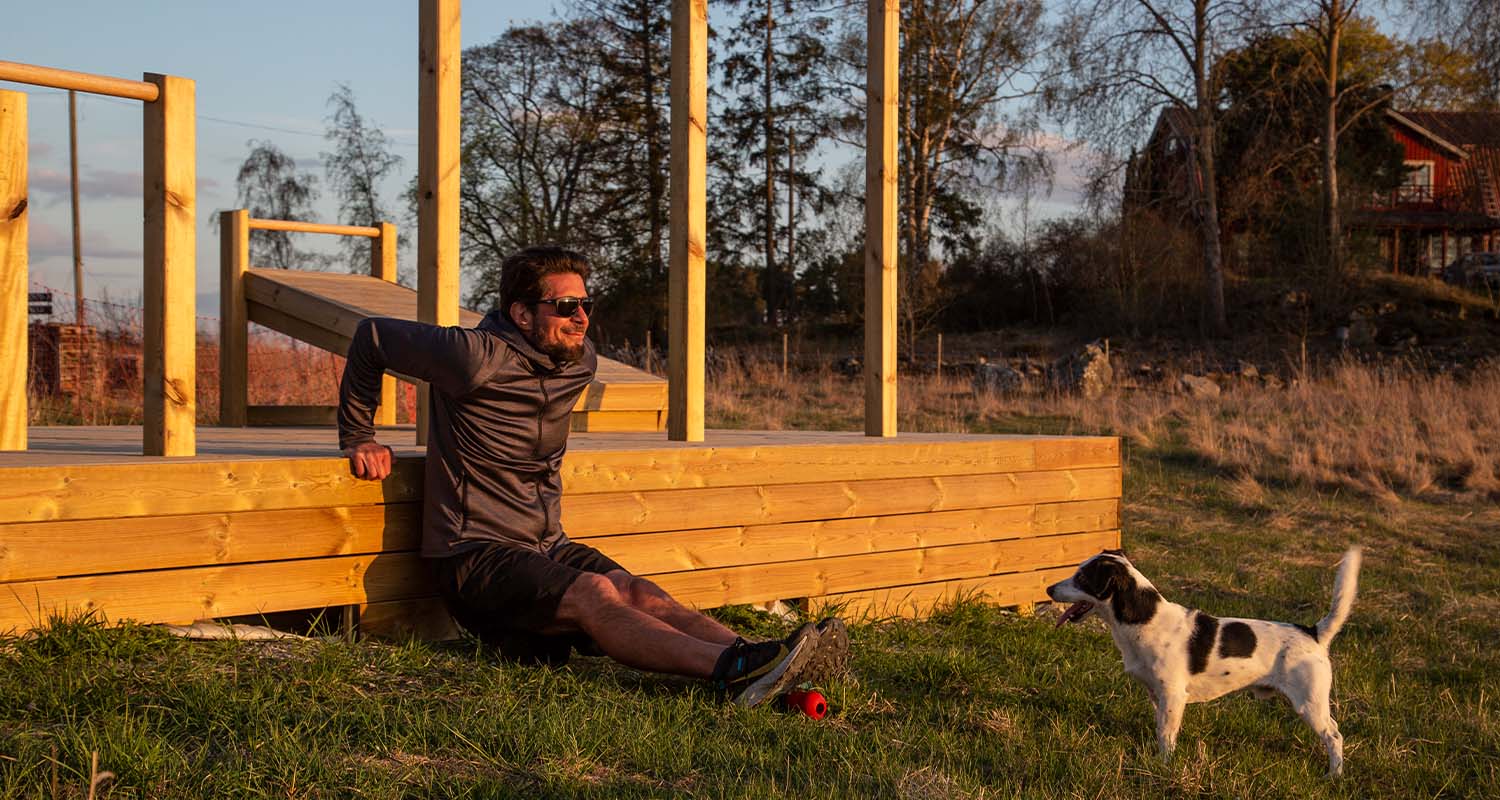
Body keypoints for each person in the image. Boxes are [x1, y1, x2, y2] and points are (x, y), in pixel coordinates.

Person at [337, 244, 848, 706]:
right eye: (564, 306)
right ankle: (731, 671)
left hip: (546, 545)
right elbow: (371, 336)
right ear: (521, 313)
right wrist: (359, 435)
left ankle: (764, 658)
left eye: (586, 304)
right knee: (595, 594)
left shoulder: (578, 360)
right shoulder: (473, 356)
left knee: (635, 590)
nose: (580, 317)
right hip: (475, 555)